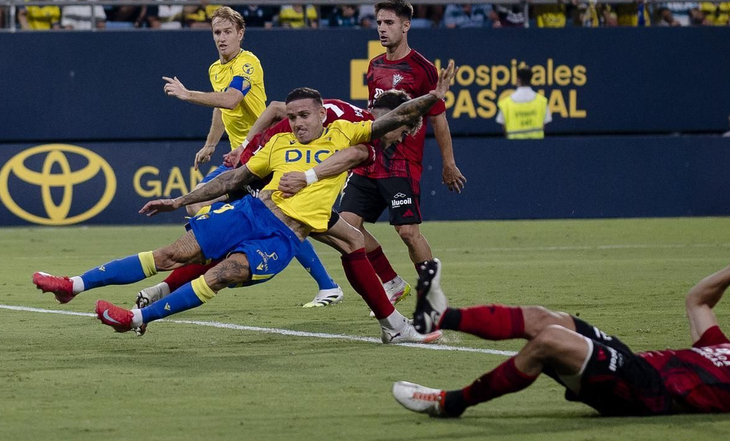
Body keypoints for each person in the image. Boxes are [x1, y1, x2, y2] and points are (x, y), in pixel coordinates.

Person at [32, 79, 451, 335]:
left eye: (304, 116)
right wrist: (180, 199)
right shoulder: (280, 141)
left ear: (322, 114)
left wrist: (433, 97)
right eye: (293, 117)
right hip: (250, 213)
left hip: (284, 235)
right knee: (172, 253)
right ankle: (73, 286)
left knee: (223, 274)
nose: (297, 123)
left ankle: (137, 319)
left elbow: (393, 121)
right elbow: (233, 179)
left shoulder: (348, 133)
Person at [393, 234, 730, 423]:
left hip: (649, 395)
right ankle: (441, 317)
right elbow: (697, 299)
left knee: (550, 342)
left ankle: (452, 404)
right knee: (549, 319)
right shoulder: (723, 347)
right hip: (636, 369)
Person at [161, 7, 345, 306]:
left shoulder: (248, 64)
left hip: (265, 156)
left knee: (284, 221)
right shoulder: (215, 68)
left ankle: (330, 282)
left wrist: (187, 94)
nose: (221, 38)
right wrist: (210, 144)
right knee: (199, 204)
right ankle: (328, 280)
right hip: (240, 159)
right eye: (216, 33)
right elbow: (222, 109)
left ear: (240, 34)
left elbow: (232, 99)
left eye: (227, 32)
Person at [338, 0, 466, 301]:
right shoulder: (374, 66)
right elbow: (373, 116)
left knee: (408, 233)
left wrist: (449, 163)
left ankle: (432, 293)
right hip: (369, 161)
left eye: (389, 23)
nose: (382, 29)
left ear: (406, 26)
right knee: (344, 228)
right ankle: (391, 281)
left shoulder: (422, 69)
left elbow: (438, 118)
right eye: (379, 23)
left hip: (401, 164)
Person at [496, 65, 551, 139]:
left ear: (517, 80)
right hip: (537, 146)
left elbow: (504, 127)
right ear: (531, 79)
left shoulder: (506, 103)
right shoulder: (542, 101)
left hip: (513, 146)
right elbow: (544, 125)